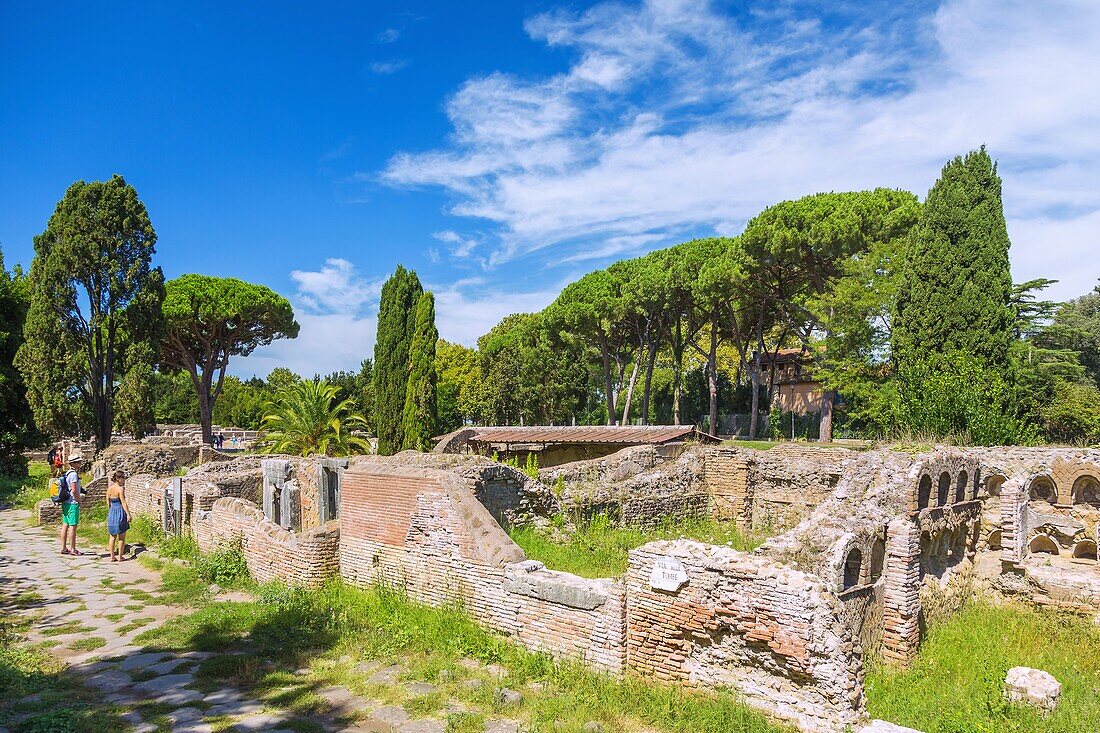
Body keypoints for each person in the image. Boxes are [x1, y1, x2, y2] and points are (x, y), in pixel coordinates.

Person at [59, 452, 84, 556]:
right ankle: (73, 549)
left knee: (65, 524)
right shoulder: (73, 474)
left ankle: (64, 547)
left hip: (65, 502)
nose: (80, 463)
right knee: (73, 526)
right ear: (73, 463)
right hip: (72, 503)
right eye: (78, 462)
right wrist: (79, 500)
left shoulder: (67, 473)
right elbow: (74, 490)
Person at [105, 470, 131, 562]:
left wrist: (110, 512)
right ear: (118, 479)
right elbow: (123, 502)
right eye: (122, 477)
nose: (124, 479)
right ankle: (120, 556)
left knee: (112, 536)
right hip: (120, 512)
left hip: (112, 512)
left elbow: (108, 502)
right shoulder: (120, 489)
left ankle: (112, 556)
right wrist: (128, 514)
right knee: (121, 537)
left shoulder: (109, 489)